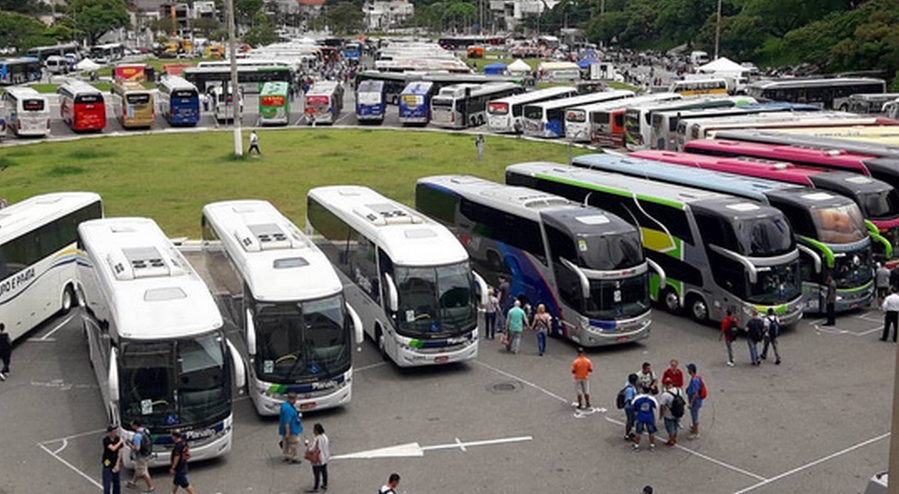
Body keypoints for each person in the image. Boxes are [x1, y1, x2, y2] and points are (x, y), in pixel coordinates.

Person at [126, 420, 154, 492]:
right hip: (147, 453)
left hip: (140, 456)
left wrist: (130, 445)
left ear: (135, 425)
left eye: (132, 425)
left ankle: (151, 486)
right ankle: (133, 482)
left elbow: (137, 448)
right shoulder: (146, 430)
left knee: (143, 471)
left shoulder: (137, 436)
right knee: (138, 468)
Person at [304, 423, 329, 492]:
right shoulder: (325, 437)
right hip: (325, 457)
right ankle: (325, 484)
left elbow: (312, 449)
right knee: (324, 471)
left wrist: (308, 445)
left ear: (316, 431)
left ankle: (316, 487)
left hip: (318, 459)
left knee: (316, 473)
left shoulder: (317, 439)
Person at [659, 378, 684, 446]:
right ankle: (674, 438)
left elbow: (662, 406)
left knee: (670, 428)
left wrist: (661, 414)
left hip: (669, 414)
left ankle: (671, 440)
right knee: (675, 426)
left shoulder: (665, 395)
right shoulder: (679, 390)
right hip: (678, 412)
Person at [279, 392, 303, 463]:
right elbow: (287, 422)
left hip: (285, 430)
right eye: (295, 399)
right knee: (294, 443)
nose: (296, 401)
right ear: (292, 399)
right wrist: (288, 432)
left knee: (286, 443)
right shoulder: (288, 410)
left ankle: (286, 455)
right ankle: (293, 458)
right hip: (292, 430)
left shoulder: (284, 405)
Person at [102, 425, 124, 494]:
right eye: (113, 432)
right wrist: (120, 442)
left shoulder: (117, 438)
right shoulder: (106, 440)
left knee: (116, 483)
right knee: (107, 483)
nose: (115, 433)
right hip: (107, 461)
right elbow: (113, 448)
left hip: (115, 461)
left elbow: (120, 451)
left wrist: (118, 464)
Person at [686, 363, 704, 440]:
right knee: (694, 415)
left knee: (694, 417)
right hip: (696, 401)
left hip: (695, 402)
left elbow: (695, 394)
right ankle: (694, 427)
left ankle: (695, 432)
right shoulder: (696, 377)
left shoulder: (695, 380)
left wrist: (691, 403)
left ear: (691, 371)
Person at [623, 373, 638, 441]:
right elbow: (629, 400)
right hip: (630, 407)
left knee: (632, 420)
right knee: (630, 421)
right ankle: (627, 434)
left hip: (630, 407)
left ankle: (629, 433)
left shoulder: (629, 385)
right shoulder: (630, 389)